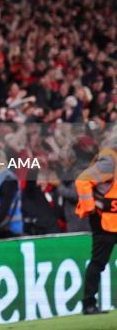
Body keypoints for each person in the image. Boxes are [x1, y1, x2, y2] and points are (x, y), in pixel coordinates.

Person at [75, 134, 117, 315]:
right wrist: (90, 208)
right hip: (104, 221)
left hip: (112, 219)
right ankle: (89, 304)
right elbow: (82, 180)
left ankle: (89, 303)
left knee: (98, 263)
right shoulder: (109, 162)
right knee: (98, 263)